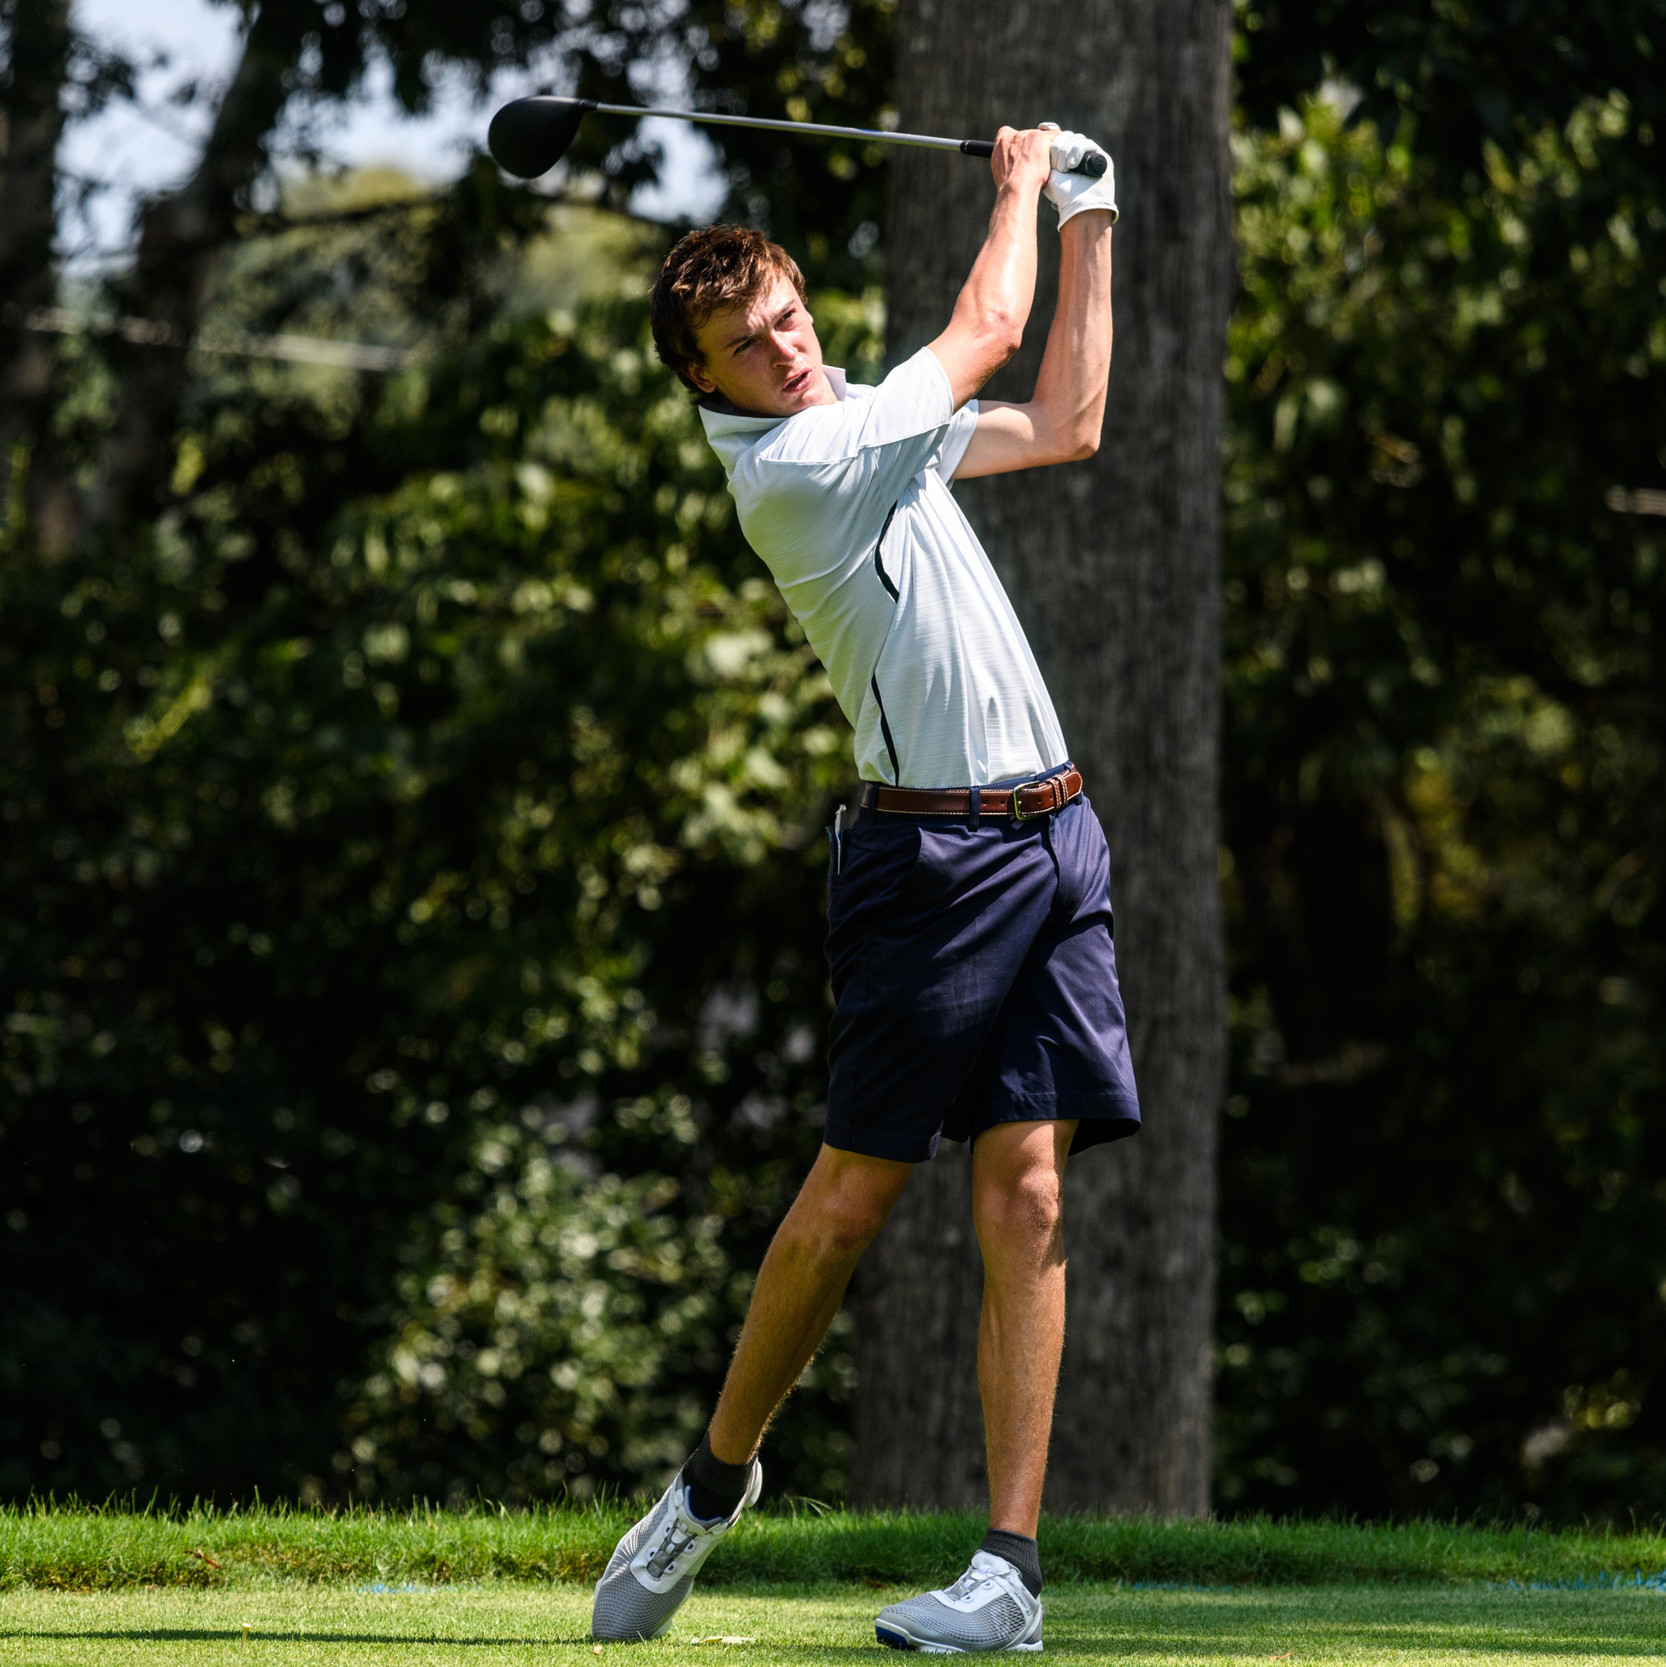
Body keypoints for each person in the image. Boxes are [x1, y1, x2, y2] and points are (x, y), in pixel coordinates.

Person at [591, 123, 1125, 1654]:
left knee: (1028, 1188)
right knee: (847, 1207)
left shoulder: (865, 423)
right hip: (929, 866)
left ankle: (1008, 1576)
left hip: (1053, 836)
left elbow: (1070, 419)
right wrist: (1021, 178)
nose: (787, 346)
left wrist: (1094, 217)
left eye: (789, 314)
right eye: (747, 345)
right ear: (705, 382)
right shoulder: (804, 464)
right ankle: (711, 1481)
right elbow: (987, 332)